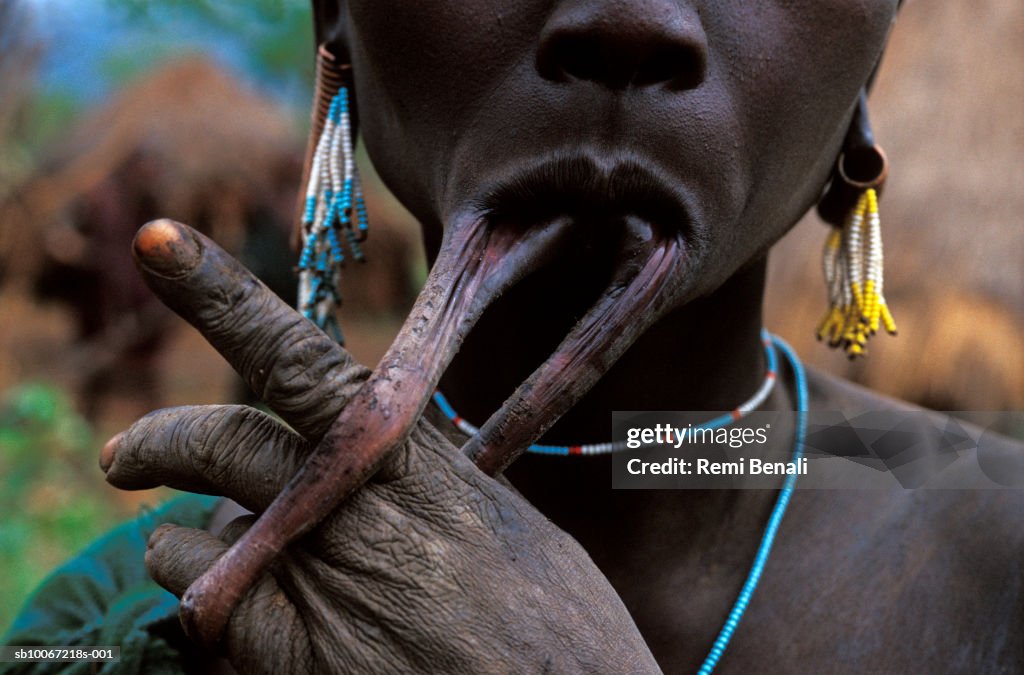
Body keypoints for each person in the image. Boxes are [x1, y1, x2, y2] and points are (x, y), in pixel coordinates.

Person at [6, 1, 1022, 673]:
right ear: (337, 16)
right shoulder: (115, 621)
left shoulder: (994, 545)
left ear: (872, 52)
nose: (630, 17)